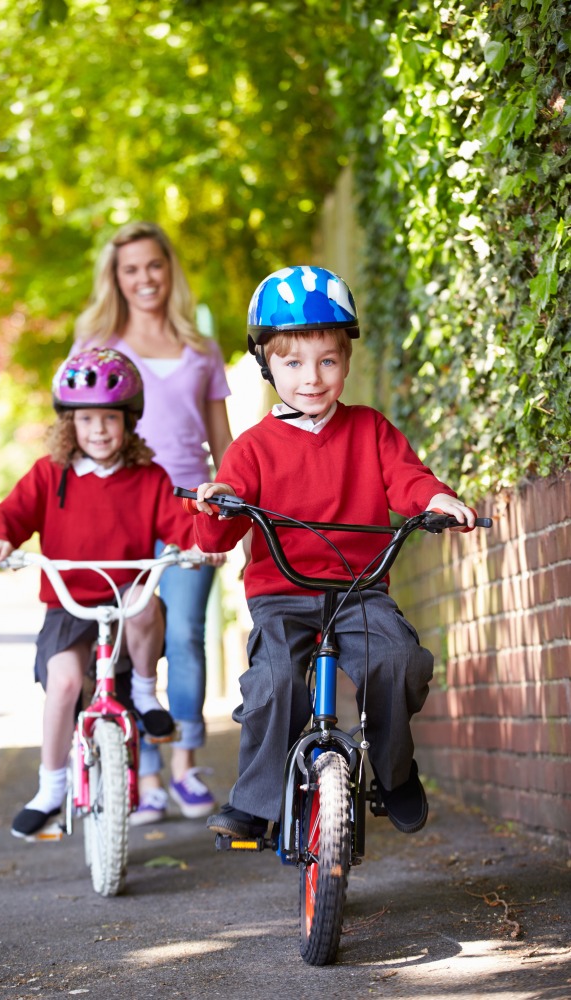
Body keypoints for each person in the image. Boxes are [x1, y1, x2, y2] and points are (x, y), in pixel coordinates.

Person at [192, 265, 477, 839]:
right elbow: (214, 539)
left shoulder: (370, 429)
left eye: (327, 360)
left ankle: (393, 775)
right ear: (266, 365)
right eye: (292, 362)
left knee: (398, 661)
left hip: (359, 591)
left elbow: (407, 479)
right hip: (281, 595)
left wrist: (437, 498)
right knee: (272, 683)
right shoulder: (251, 449)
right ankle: (256, 802)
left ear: (346, 361)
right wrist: (219, 503)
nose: (312, 377)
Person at [0, 348, 198, 839]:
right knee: (64, 683)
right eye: (87, 419)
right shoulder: (48, 475)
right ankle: (50, 787)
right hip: (68, 606)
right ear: (69, 423)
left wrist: (199, 545)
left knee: (146, 597)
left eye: (110, 418)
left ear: (129, 421)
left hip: (124, 601)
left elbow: (179, 525)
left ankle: (143, 691)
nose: (99, 430)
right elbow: (10, 515)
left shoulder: (149, 478)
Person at [72, 221, 232, 824]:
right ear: (116, 278)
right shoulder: (96, 342)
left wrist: (227, 507)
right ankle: (145, 774)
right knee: (133, 637)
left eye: (154, 266)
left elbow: (223, 441)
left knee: (186, 632)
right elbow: (76, 435)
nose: (145, 279)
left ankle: (186, 766)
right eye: (131, 269)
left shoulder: (199, 345)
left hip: (190, 507)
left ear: (170, 270)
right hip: (123, 508)